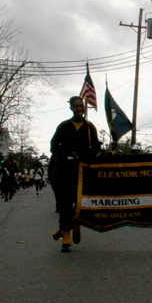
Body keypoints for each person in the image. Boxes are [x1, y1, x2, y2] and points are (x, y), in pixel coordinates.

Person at [51, 96, 101, 252]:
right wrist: (66, 154)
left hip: (82, 171)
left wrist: (86, 154)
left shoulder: (89, 127)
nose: (80, 109)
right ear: (71, 108)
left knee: (79, 202)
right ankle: (65, 237)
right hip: (65, 171)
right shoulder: (64, 126)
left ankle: (75, 226)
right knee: (65, 203)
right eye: (76, 106)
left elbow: (96, 148)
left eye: (82, 106)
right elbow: (54, 147)